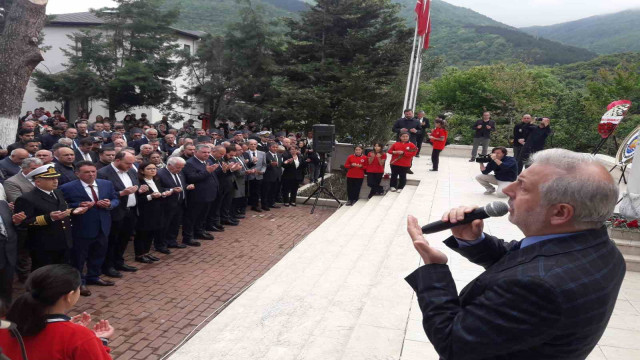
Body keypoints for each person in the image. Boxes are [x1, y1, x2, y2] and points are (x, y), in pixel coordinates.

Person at [405, 148, 625, 360]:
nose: (509, 190)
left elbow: (452, 341)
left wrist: (434, 270)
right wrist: (473, 240)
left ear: (560, 212)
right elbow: (526, 258)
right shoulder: (600, 248)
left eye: (523, 187)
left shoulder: (540, 287)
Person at [0, 264, 114, 359]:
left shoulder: (6, 324)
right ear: (69, 296)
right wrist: (101, 341)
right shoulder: (79, 336)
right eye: (78, 288)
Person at [60, 161, 120, 296]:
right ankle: (79, 283)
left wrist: (110, 203)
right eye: (87, 172)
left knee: (98, 254)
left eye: (93, 171)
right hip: (81, 228)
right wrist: (78, 204)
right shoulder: (67, 187)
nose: (91, 174)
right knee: (78, 258)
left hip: (103, 226)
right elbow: (62, 205)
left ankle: (94, 276)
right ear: (77, 173)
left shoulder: (106, 184)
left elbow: (115, 199)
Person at [15, 165, 77, 273]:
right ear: (38, 182)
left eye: (56, 178)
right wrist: (49, 217)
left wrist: (74, 210)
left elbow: (62, 209)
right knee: (45, 274)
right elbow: (23, 223)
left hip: (64, 240)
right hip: (44, 244)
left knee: (63, 272)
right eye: (50, 179)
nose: (55, 181)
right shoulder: (27, 199)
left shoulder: (57, 192)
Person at [97, 152, 139, 278]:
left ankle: (119, 261)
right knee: (112, 240)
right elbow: (102, 195)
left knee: (124, 239)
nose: (131, 166)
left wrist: (140, 189)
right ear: (118, 160)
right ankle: (107, 266)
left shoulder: (131, 171)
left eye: (132, 163)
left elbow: (135, 184)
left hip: (130, 210)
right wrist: (121, 193)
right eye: (128, 163)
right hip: (114, 212)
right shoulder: (103, 173)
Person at [182, 144, 219, 244]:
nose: (207, 154)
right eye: (204, 152)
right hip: (197, 195)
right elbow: (191, 178)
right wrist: (207, 172)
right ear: (196, 152)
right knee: (192, 217)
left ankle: (199, 231)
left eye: (208, 152)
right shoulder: (189, 163)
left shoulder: (208, 161)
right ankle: (188, 237)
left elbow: (213, 175)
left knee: (203, 215)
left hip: (209, 194)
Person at [134, 162, 170, 263]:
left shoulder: (156, 180)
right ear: (142, 171)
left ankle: (146, 252)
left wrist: (164, 193)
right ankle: (139, 254)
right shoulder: (139, 182)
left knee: (151, 232)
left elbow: (159, 191)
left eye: (154, 168)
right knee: (142, 234)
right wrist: (150, 196)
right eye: (149, 169)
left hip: (156, 210)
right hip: (144, 212)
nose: (153, 170)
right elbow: (137, 199)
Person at [158, 157, 192, 249]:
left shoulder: (179, 172)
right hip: (167, 204)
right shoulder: (160, 173)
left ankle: (172, 241)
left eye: (181, 167)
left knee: (175, 224)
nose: (180, 169)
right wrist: (171, 190)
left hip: (179, 203)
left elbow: (181, 185)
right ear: (169, 165)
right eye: (178, 167)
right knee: (165, 225)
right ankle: (161, 244)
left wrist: (187, 186)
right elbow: (158, 189)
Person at [0, 199, 23, 303]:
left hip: (9, 253)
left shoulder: (3, 204)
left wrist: (16, 222)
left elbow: (10, 226)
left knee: (7, 286)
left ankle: (6, 310)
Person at [246, 139, 267, 212]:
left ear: (257, 145)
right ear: (248, 145)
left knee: (257, 191)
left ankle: (255, 205)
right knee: (249, 191)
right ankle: (250, 204)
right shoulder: (245, 153)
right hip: (248, 175)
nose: (253, 145)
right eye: (251, 144)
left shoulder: (262, 153)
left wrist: (262, 171)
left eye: (254, 144)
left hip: (259, 175)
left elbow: (264, 164)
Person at [262, 143, 283, 210]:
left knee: (274, 191)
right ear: (270, 148)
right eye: (273, 147)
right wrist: (270, 165)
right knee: (266, 191)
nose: (275, 148)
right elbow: (263, 165)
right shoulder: (266, 155)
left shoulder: (279, 155)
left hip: (277, 176)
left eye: (276, 147)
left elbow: (279, 165)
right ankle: (265, 205)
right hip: (268, 176)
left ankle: (272, 203)